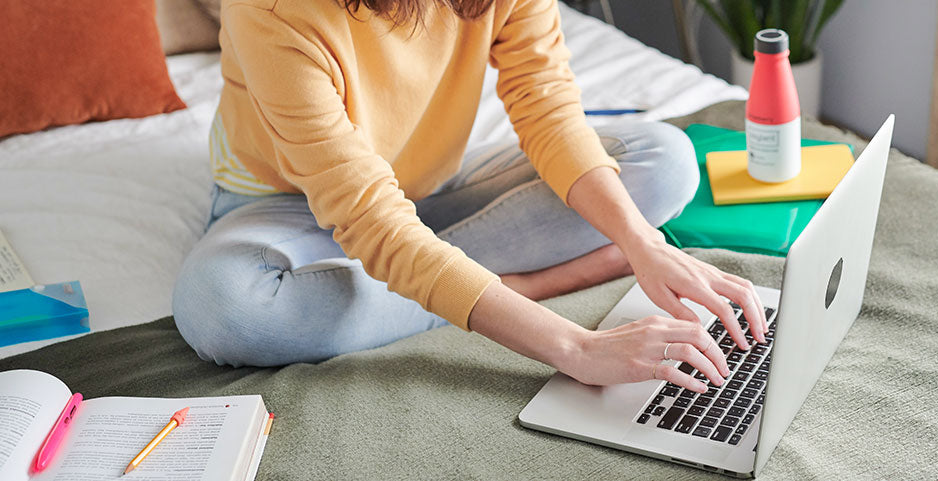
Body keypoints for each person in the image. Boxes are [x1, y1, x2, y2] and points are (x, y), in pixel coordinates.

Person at [172, 0, 766, 394]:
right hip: (286, 198)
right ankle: (521, 284)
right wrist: (574, 346)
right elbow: (369, 217)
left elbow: (546, 107)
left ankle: (439, 279)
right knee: (225, 306)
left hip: (428, 186)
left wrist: (641, 244)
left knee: (664, 162)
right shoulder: (271, 9)